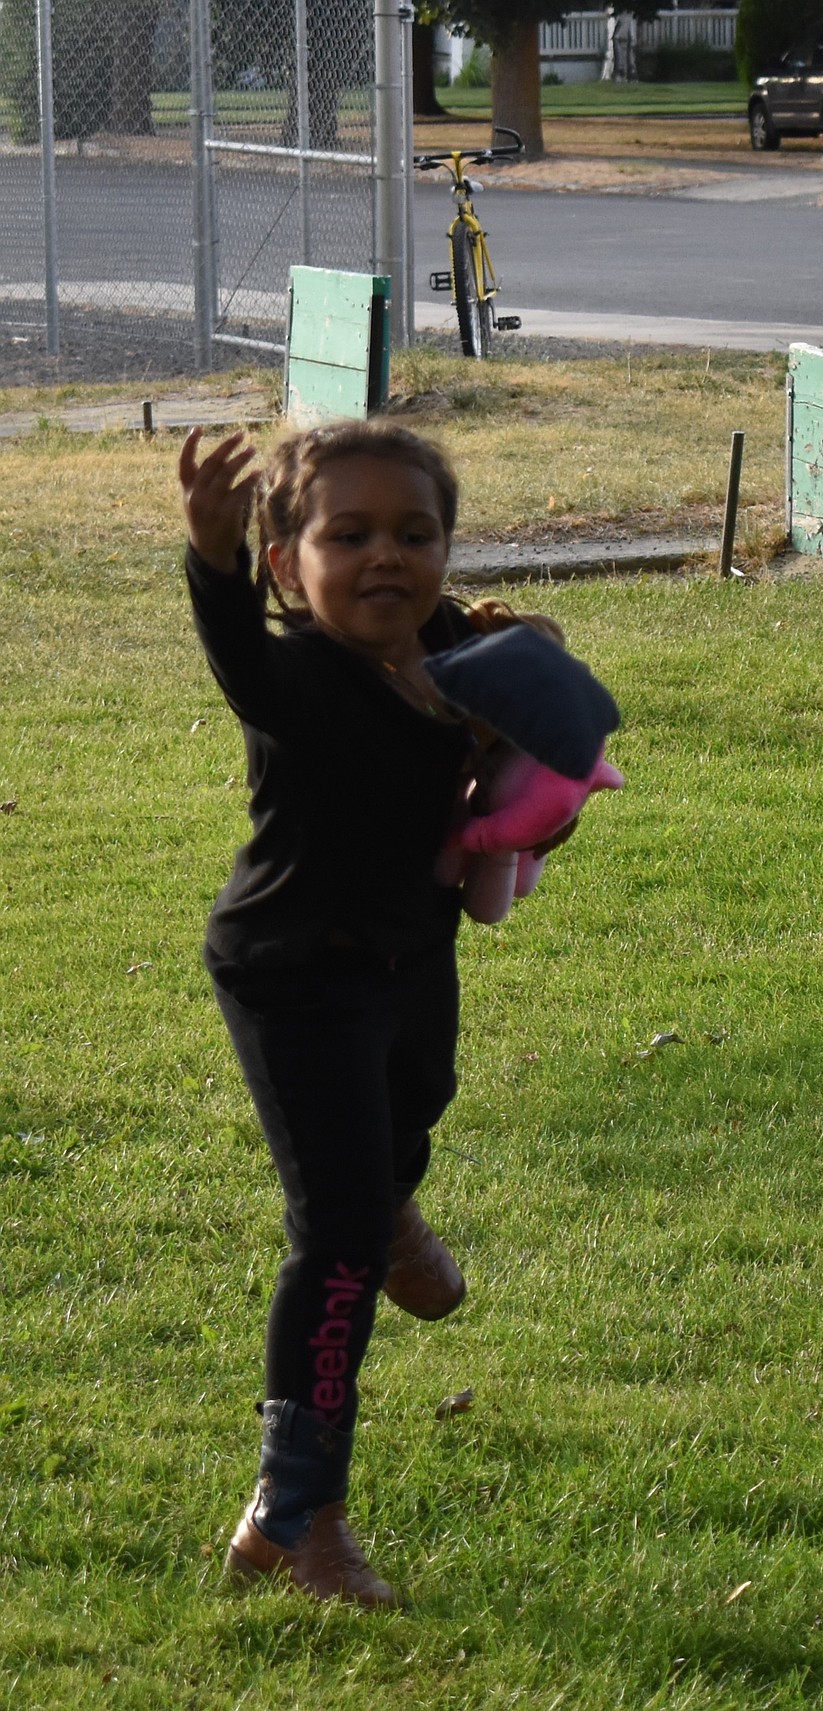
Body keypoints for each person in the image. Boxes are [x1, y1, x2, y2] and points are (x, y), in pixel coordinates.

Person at [177, 418, 521, 1608]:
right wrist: (211, 560)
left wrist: (527, 677)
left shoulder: (449, 653)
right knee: (331, 1236)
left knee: (421, 1100)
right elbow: (238, 658)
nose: (387, 557)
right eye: (349, 534)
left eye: (414, 533)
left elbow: (543, 748)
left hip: (408, 962)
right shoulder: (299, 672)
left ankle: (390, 1212)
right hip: (295, 973)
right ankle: (301, 1518)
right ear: (287, 562)